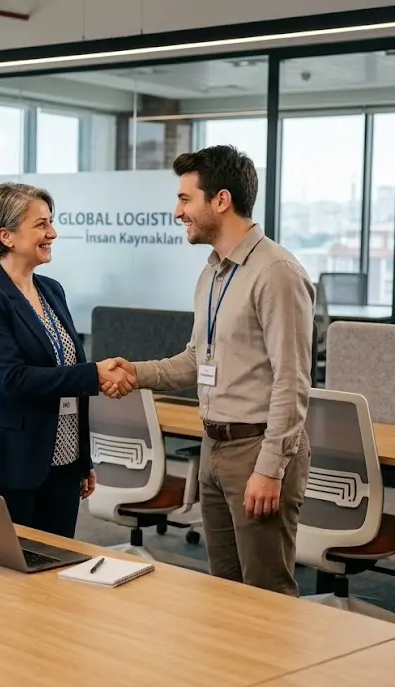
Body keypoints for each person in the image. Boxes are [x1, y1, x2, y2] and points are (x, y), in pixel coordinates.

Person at [102, 145, 314, 596]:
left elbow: (291, 380)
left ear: (220, 200)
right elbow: (198, 360)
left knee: (266, 595)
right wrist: (134, 372)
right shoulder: (213, 273)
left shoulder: (276, 272)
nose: (178, 212)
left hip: (257, 449)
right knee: (225, 595)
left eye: (185, 199)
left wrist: (271, 468)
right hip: (214, 447)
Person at [0, 182, 132, 537]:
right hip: (5, 465)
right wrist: (94, 374)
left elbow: (67, 378)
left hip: (63, 464)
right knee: (6, 579)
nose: (52, 232)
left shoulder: (52, 290)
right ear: (6, 235)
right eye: (40, 224)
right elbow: (13, 380)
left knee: (55, 574)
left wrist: (82, 460)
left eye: (50, 222)